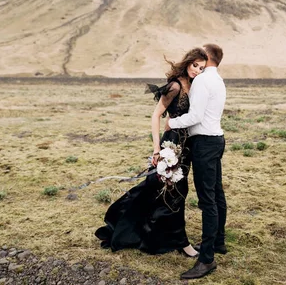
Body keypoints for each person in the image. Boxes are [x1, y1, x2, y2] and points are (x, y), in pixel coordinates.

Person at [94, 47, 208, 258]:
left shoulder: (195, 84)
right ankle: (182, 243)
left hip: (186, 148)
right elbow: (156, 116)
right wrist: (157, 150)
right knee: (175, 192)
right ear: (188, 62)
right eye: (195, 65)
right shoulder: (174, 86)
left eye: (202, 68)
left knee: (163, 192)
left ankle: (147, 231)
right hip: (171, 146)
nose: (197, 70)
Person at [167, 43, 227, 280]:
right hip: (216, 140)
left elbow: (196, 116)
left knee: (207, 200)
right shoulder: (218, 79)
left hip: (204, 143)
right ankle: (218, 242)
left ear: (208, 57)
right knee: (217, 194)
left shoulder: (202, 80)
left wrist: (172, 123)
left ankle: (207, 260)